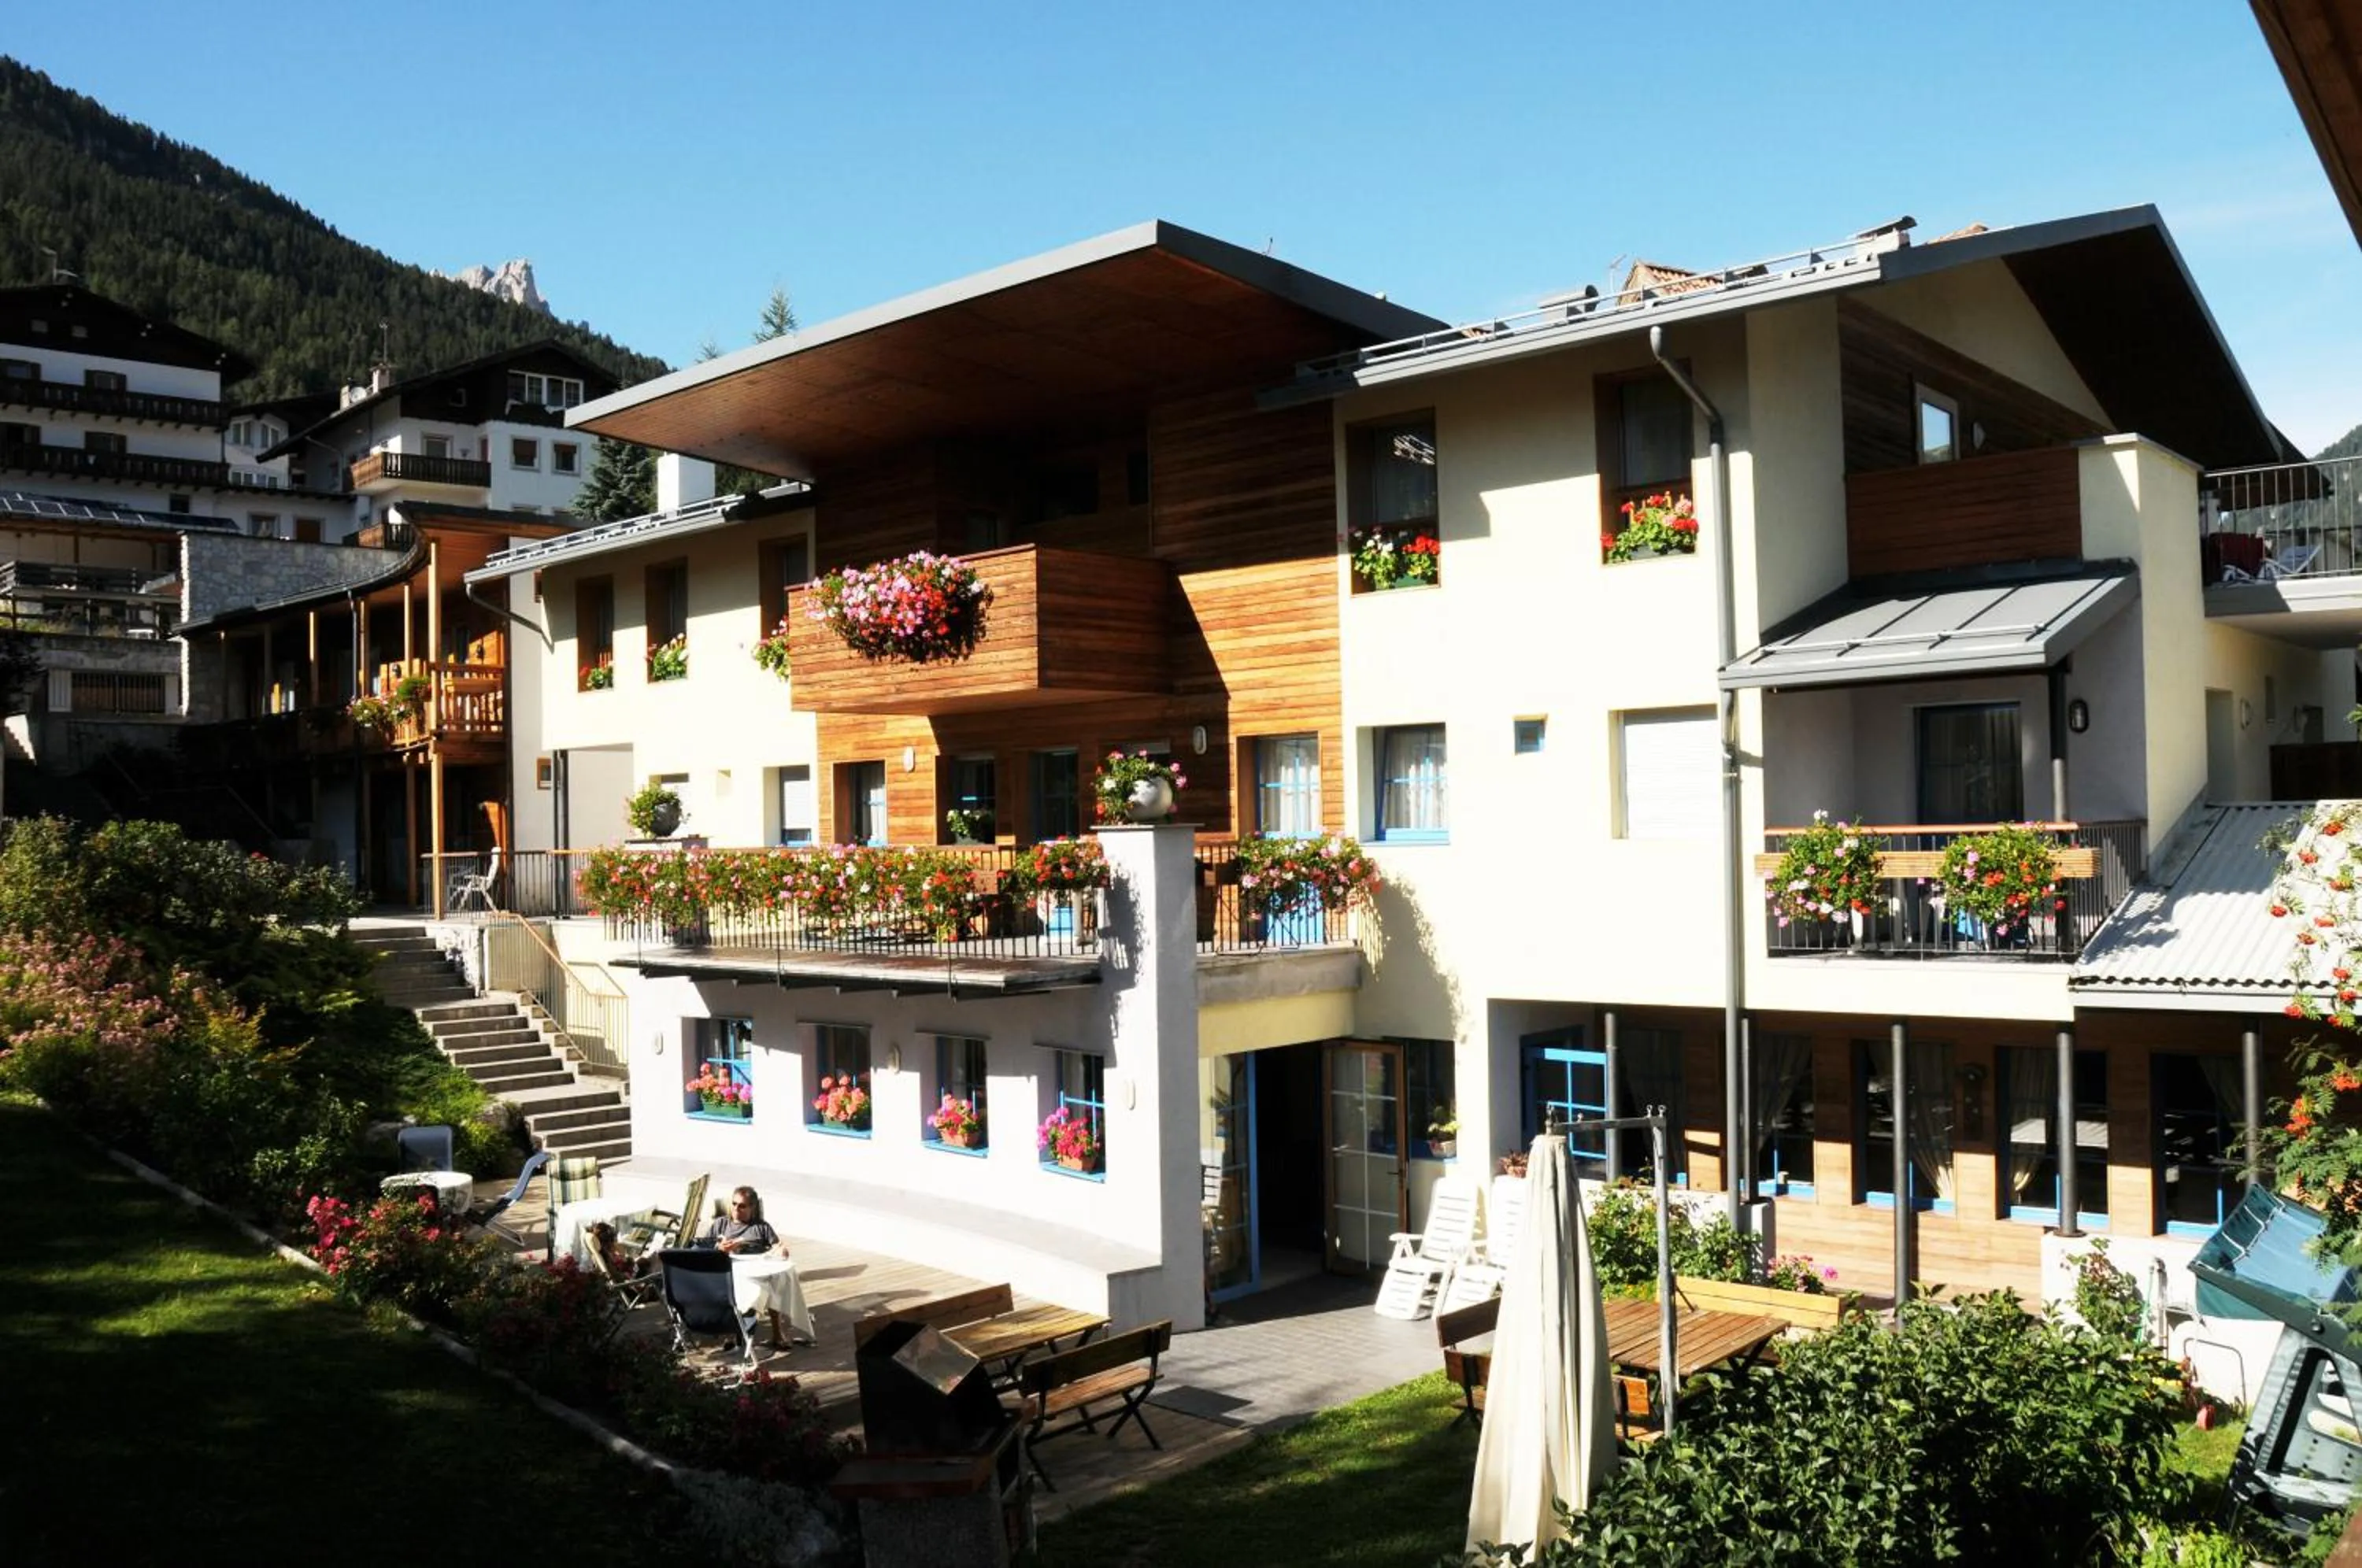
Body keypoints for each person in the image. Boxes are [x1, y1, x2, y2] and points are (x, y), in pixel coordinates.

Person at [713, 1185, 787, 1257]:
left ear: (752, 1207)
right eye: (734, 1204)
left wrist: (781, 1251)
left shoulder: (762, 1227)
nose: (736, 1208)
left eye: (742, 1206)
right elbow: (705, 1247)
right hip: (726, 1265)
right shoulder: (721, 1224)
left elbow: (777, 1247)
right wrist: (719, 1248)